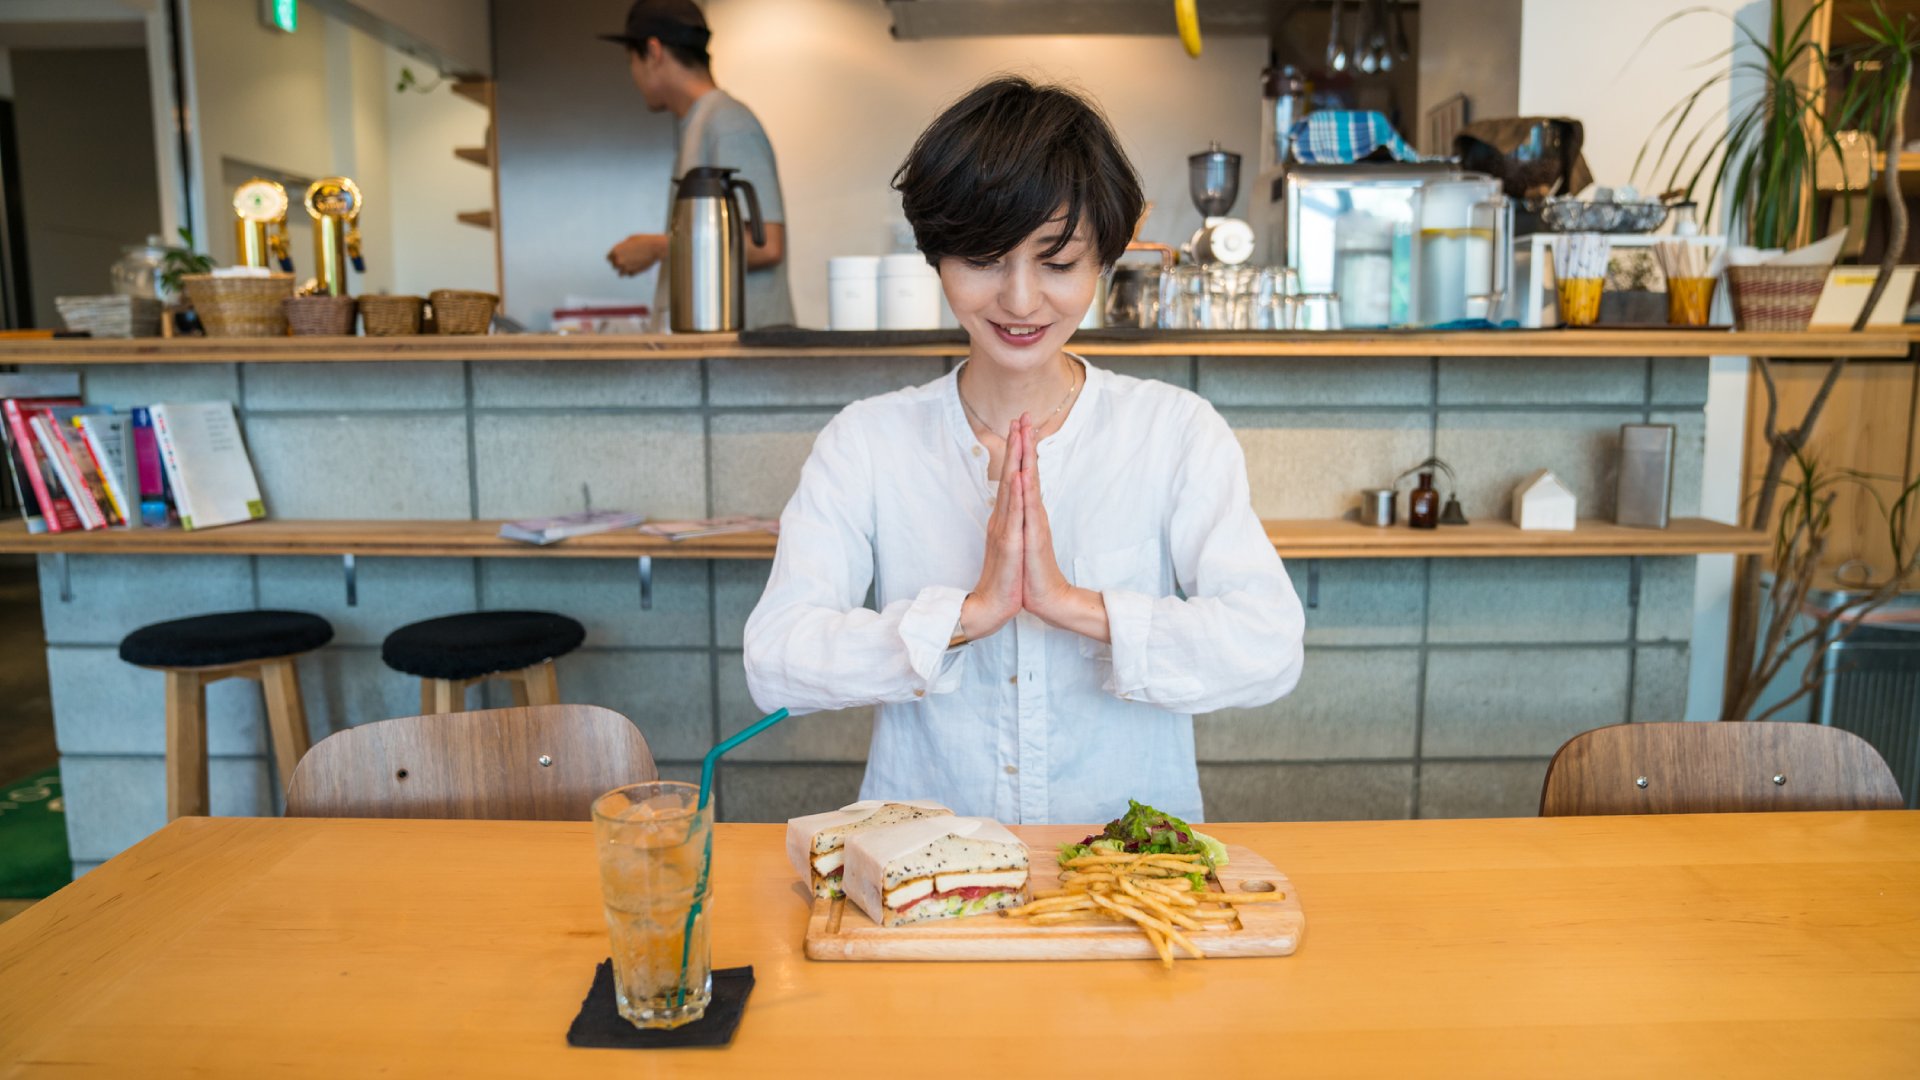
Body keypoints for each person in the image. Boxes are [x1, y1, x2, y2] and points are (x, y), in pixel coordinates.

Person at [742, 77, 1305, 825]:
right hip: (928, 875)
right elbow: (775, 661)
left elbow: (1269, 648)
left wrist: (1075, 607)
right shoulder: (868, 441)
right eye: (983, 259)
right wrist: (965, 617)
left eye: (1057, 262)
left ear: (1104, 259)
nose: (1018, 298)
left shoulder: (1174, 432)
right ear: (937, 258)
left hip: (1130, 878)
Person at [601, 0, 793, 328]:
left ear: (654, 51)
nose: (632, 74)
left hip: (742, 359)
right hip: (725, 359)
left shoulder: (728, 124)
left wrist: (657, 247)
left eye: (631, 60)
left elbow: (766, 246)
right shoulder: (699, 123)